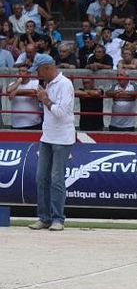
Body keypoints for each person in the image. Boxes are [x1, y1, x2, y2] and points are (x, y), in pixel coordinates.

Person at [27, 54, 75, 231]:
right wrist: (44, 98)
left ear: (46, 68)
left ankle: (58, 218)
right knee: (41, 178)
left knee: (56, 179)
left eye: (38, 70)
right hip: (47, 137)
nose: (37, 75)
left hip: (62, 138)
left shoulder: (65, 84)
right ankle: (44, 217)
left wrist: (44, 99)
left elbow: (61, 112)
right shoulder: (47, 84)